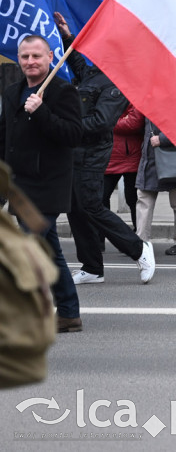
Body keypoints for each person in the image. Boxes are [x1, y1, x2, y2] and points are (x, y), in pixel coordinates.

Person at [54, 14, 155, 285]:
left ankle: (139, 249)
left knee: (91, 205)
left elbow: (101, 122)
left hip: (93, 152)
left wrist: (67, 125)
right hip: (76, 150)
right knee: (75, 208)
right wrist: (67, 37)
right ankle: (91, 267)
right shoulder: (95, 74)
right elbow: (77, 63)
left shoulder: (115, 82)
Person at [0, 35, 83, 332]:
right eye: (25, 57)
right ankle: (69, 313)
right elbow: (5, 139)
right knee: (49, 250)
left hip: (48, 185)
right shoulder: (13, 92)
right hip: (20, 185)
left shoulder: (62, 92)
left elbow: (74, 135)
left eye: (36, 56)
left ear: (50, 56)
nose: (30, 62)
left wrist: (42, 112)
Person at [135, 118, 176, 252]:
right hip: (152, 156)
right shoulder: (149, 99)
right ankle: (141, 241)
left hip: (175, 157)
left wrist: (162, 139)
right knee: (144, 198)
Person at [102, 103, 143, 230]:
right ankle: (100, 238)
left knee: (133, 198)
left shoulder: (133, 95)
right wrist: (121, 118)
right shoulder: (106, 91)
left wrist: (109, 120)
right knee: (101, 198)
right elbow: (99, 117)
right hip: (109, 155)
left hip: (131, 156)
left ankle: (139, 236)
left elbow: (133, 123)